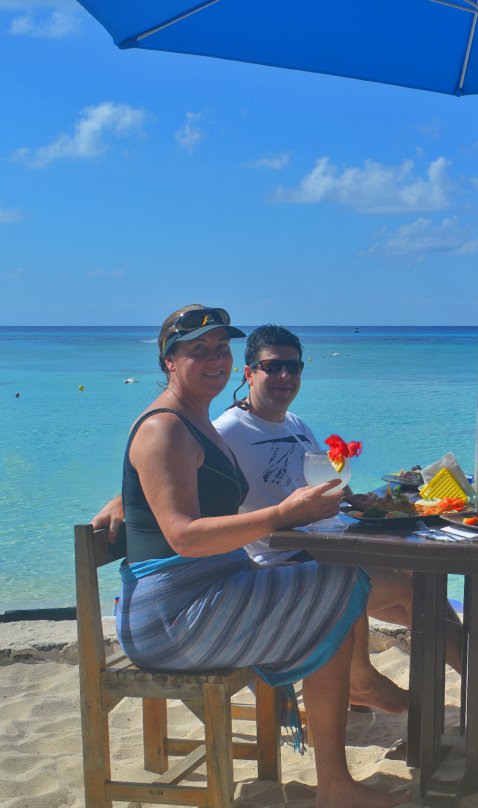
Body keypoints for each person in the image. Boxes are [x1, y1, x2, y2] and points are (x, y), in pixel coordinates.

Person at [112, 305, 407, 808]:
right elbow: (182, 536)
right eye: (197, 351)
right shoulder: (166, 428)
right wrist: (280, 516)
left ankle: (339, 765)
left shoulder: (197, 424)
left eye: (220, 349)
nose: (214, 360)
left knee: (333, 583)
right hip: (171, 617)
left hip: (209, 591)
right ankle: (336, 780)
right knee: (334, 585)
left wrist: (116, 502)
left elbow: (163, 489)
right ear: (168, 361)